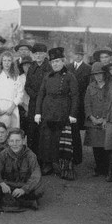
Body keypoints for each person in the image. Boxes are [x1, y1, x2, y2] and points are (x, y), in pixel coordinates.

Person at [35, 47, 78, 177]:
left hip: (62, 110)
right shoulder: (47, 76)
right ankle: (47, 164)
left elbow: (75, 96)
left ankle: (58, 164)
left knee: (59, 139)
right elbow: (41, 94)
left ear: (63, 61)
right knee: (46, 139)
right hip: (47, 110)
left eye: (58, 61)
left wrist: (73, 114)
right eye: (53, 62)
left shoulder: (70, 76)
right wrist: (37, 112)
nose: (55, 64)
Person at [0, 128, 43, 210]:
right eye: (11, 141)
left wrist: (24, 189)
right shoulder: (3, 154)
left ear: (24, 140)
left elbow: (36, 175)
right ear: (8, 141)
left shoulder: (31, 156)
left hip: (23, 185)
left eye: (18, 141)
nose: (14, 144)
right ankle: (24, 202)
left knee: (39, 189)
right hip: (8, 185)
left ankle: (8, 200)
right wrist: (2, 184)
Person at [24, 43, 51, 160]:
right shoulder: (32, 67)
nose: (38, 56)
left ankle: (43, 160)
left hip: (45, 104)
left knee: (43, 131)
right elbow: (27, 85)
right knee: (32, 130)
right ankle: (32, 158)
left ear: (45, 54)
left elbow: (50, 86)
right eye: (36, 54)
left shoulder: (49, 68)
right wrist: (34, 95)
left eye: (40, 53)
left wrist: (41, 96)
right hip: (33, 103)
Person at [84, 62, 110, 177]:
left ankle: (107, 168)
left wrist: (105, 118)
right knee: (96, 147)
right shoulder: (90, 87)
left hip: (106, 121)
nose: (98, 77)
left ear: (104, 74)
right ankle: (98, 168)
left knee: (106, 145)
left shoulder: (110, 86)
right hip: (93, 121)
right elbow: (87, 104)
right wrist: (91, 117)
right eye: (96, 74)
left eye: (100, 74)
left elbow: (111, 104)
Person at [0, 50, 24, 129]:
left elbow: (20, 93)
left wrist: (11, 108)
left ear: (12, 62)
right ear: (1, 62)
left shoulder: (16, 76)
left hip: (11, 107)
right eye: (4, 60)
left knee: (12, 130)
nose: (7, 63)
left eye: (9, 60)